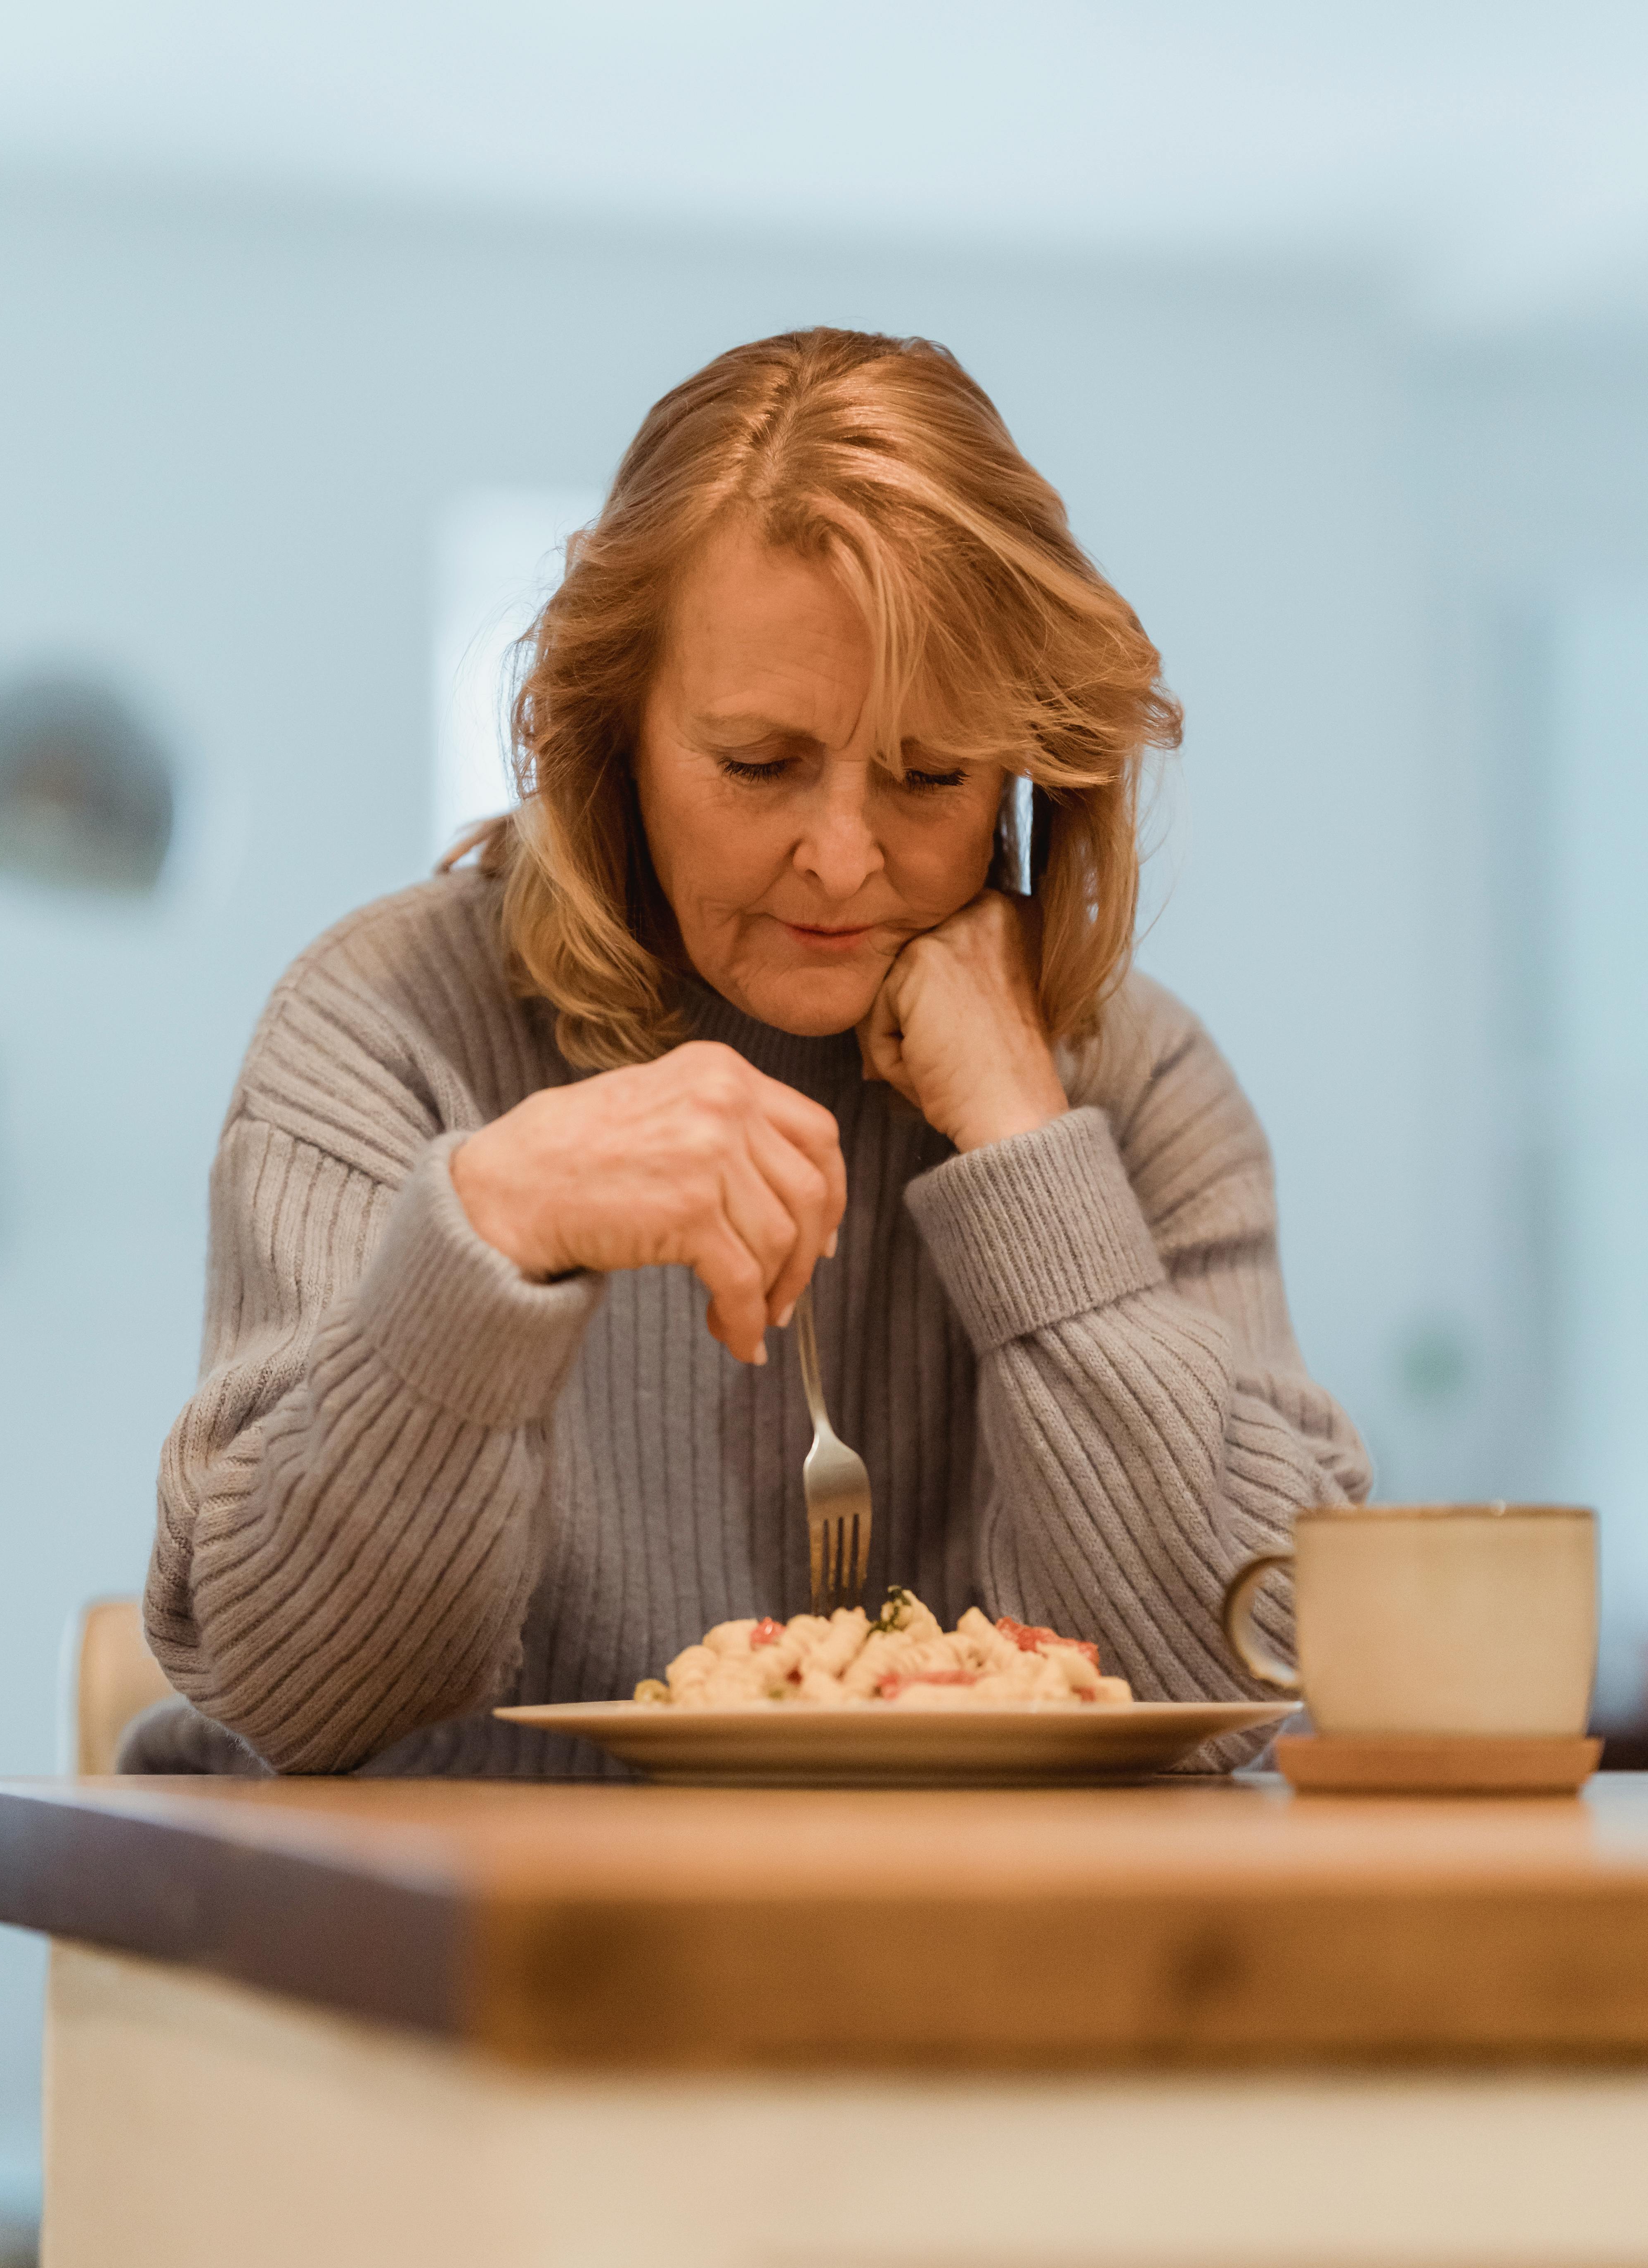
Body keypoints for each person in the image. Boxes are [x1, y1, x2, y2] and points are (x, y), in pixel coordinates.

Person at [131, 326, 1369, 1780]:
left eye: (929, 776)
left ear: (1029, 774)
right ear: (608, 740)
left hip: (960, 1979)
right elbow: (300, 1693)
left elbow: (1253, 1674)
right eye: (759, 766)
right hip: (468, 1973)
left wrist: (1031, 1155)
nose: (843, 862)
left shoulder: (1136, 1083)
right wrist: (490, 1232)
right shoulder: (385, 1024)